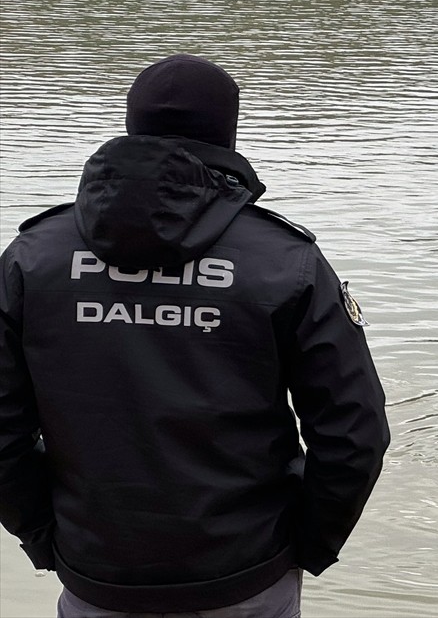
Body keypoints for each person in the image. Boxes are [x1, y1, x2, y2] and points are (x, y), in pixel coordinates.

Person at [0, 54, 391, 617]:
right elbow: (354, 433)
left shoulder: (34, 256)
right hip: (247, 575)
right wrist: (307, 544)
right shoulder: (285, 261)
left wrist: (45, 536)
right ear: (228, 135)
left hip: (97, 574)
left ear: (131, 126)